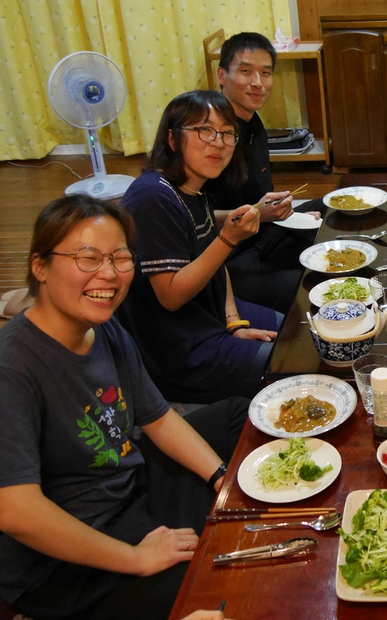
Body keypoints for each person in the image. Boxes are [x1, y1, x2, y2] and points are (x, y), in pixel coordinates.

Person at [0, 194, 247, 620]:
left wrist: (222, 480)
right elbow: (16, 512)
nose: (109, 274)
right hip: (67, 559)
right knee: (218, 591)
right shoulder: (12, 367)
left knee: (237, 416)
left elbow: (158, 416)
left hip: (129, 485)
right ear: (40, 267)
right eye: (88, 258)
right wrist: (136, 557)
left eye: (120, 258)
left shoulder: (104, 327)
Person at [120, 90, 280, 403]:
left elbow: (216, 268)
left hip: (212, 316)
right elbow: (171, 296)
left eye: (227, 133)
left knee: (297, 331)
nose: (218, 143)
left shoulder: (194, 187)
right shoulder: (152, 197)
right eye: (204, 131)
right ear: (172, 138)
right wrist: (229, 238)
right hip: (182, 352)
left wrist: (234, 322)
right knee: (287, 364)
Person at [207, 31, 324, 314]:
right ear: (222, 75)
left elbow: (260, 200)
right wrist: (258, 213)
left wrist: (287, 213)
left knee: (330, 207)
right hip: (229, 255)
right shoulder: (212, 133)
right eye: (246, 71)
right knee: (308, 285)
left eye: (266, 73)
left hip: (261, 231)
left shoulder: (253, 122)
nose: (258, 83)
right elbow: (195, 221)